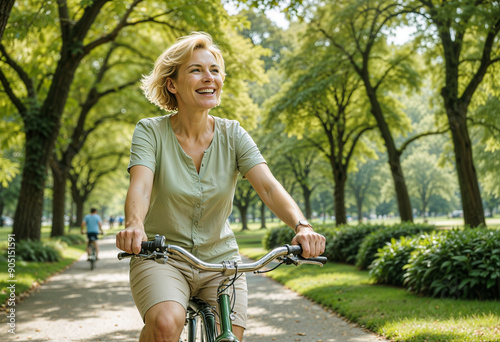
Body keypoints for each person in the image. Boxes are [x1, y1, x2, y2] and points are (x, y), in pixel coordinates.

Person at [115, 32, 326, 342]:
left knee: (229, 336)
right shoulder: (151, 131)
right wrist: (134, 226)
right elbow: (142, 186)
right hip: (162, 255)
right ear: (172, 84)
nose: (209, 78)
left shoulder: (233, 134)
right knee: (165, 323)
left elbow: (268, 187)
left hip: (222, 262)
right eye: (196, 70)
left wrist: (302, 226)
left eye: (214, 70)